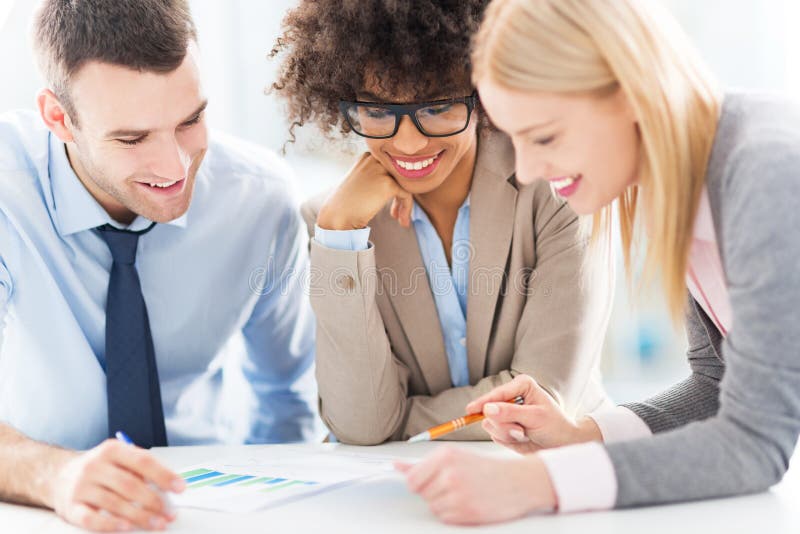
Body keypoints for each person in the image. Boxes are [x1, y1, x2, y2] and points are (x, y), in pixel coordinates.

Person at [397, 0, 800, 525]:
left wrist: (536, 484)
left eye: (543, 136)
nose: (527, 170)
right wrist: (581, 436)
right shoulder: (675, 179)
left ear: (632, 91)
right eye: (514, 139)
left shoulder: (765, 173)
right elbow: (718, 385)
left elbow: (754, 442)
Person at [0, 0, 318, 530]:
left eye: (191, 120)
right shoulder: (7, 196)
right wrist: (53, 476)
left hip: (211, 502)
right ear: (59, 118)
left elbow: (286, 399)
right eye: (132, 139)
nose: (175, 167)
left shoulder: (259, 201)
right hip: (38, 503)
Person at [271, 0, 612, 446]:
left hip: (553, 476)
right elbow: (360, 426)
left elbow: (540, 402)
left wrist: (398, 424)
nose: (408, 142)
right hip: (403, 496)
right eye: (377, 112)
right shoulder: (338, 224)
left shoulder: (555, 187)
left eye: (438, 107)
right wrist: (339, 235)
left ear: (484, 94)